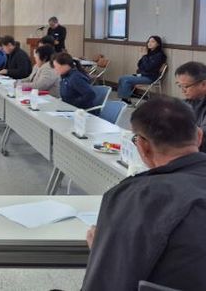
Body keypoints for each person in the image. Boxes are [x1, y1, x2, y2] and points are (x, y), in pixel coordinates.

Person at [81, 97, 206, 290]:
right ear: (199, 136)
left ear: (142, 146)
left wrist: (104, 251)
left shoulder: (140, 196)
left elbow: (107, 285)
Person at [117, 36, 167, 104]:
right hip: (143, 75)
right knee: (121, 78)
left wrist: (144, 56)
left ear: (158, 44)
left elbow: (148, 67)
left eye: (153, 42)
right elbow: (139, 64)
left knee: (126, 80)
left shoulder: (160, 55)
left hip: (150, 77)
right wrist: (145, 57)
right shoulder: (149, 53)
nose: (149, 43)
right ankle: (124, 98)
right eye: (149, 41)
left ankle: (126, 101)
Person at [175, 61, 206, 152]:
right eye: (179, 86)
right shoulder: (190, 100)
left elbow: (200, 135)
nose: (183, 91)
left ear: (204, 84)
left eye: (185, 86)